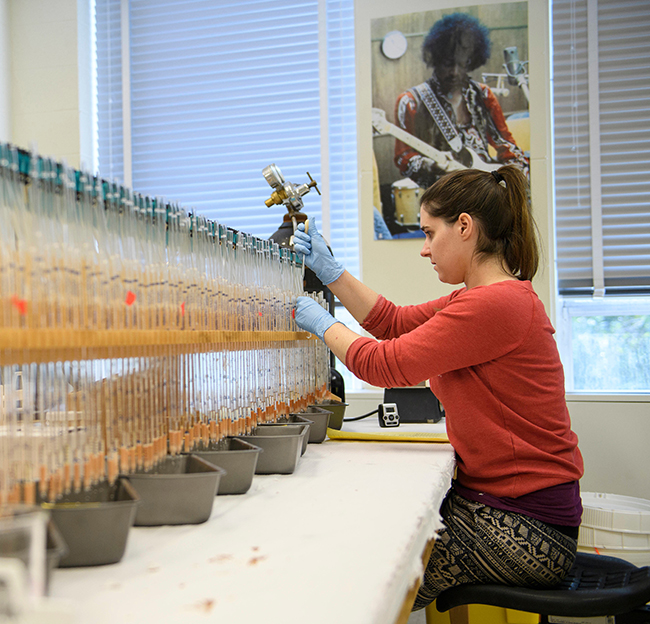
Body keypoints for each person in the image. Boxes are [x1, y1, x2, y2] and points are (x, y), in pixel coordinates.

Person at [291, 165, 583, 610]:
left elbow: (384, 363)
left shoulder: (495, 304)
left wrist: (319, 320)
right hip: (504, 506)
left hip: (526, 527)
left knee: (363, 582)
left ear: (464, 227)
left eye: (429, 234)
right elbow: (392, 323)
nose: (423, 250)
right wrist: (333, 274)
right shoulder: (479, 298)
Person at [394, 13, 529, 189]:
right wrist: (431, 164)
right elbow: (403, 158)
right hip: (441, 195)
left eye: (462, 64)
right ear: (435, 60)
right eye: (448, 64)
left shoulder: (483, 95)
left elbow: (507, 146)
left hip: (482, 192)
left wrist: (514, 178)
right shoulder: (411, 102)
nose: (455, 72)